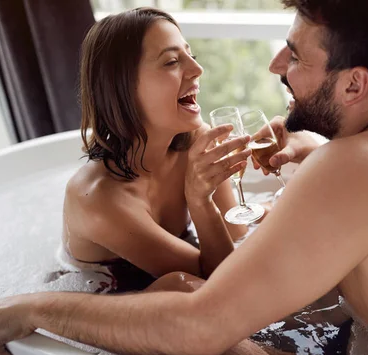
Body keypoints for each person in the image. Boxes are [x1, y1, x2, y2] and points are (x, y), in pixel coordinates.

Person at [0, 0, 368, 355]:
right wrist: (311, 155)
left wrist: (30, 308)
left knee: (193, 303)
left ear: (355, 83)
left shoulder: (348, 169)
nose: (277, 65)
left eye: (297, 55)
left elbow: (202, 321)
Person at [62, 7, 250, 288]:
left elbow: (237, 232)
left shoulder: (194, 140)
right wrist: (199, 201)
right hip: (104, 292)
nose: (197, 70)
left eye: (191, 56)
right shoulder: (98, 198)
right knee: (178, 284)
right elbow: (218, 286)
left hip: (188, 283)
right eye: (172, 62)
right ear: (121, 87)